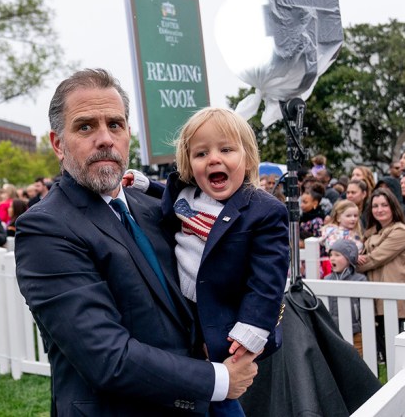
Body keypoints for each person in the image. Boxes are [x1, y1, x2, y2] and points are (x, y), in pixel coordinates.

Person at [15, 69, 257, 416]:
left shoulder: (155, 208)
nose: (104, 139)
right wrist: (218, 379)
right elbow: (106, 357)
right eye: (85, 126)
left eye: (115, 124)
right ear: (58, 144)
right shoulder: (45, 229)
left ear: (128, 133)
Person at [160, 107, 290, 416]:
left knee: (221, 400)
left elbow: (267, 281)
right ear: (188, 164)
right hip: (185, 316)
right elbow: (164, 198)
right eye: (201, 153)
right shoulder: (187, 195)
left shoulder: (264, 211)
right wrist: (140, 184)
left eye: (226, 149)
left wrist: (249, 333)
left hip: (226, 324)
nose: (214, 158)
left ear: (247, 157)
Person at [357, 188, 405, 361]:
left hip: (397, 300)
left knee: (400, 353)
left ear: (393, 207)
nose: (379, 209)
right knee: (383, 352)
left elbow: (372, 260)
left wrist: (351, 261)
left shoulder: (401, 231)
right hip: (378, 298)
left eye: (384, 205)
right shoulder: (371, 233)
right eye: (375, 206)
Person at [324, 239, 367, 356]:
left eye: (337, 255)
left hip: (355, 332)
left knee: (357, 358)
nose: (332, 258)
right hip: (333, 331)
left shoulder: (359, 280)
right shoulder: (327, 279)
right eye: (331, 255)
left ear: (349, 259)